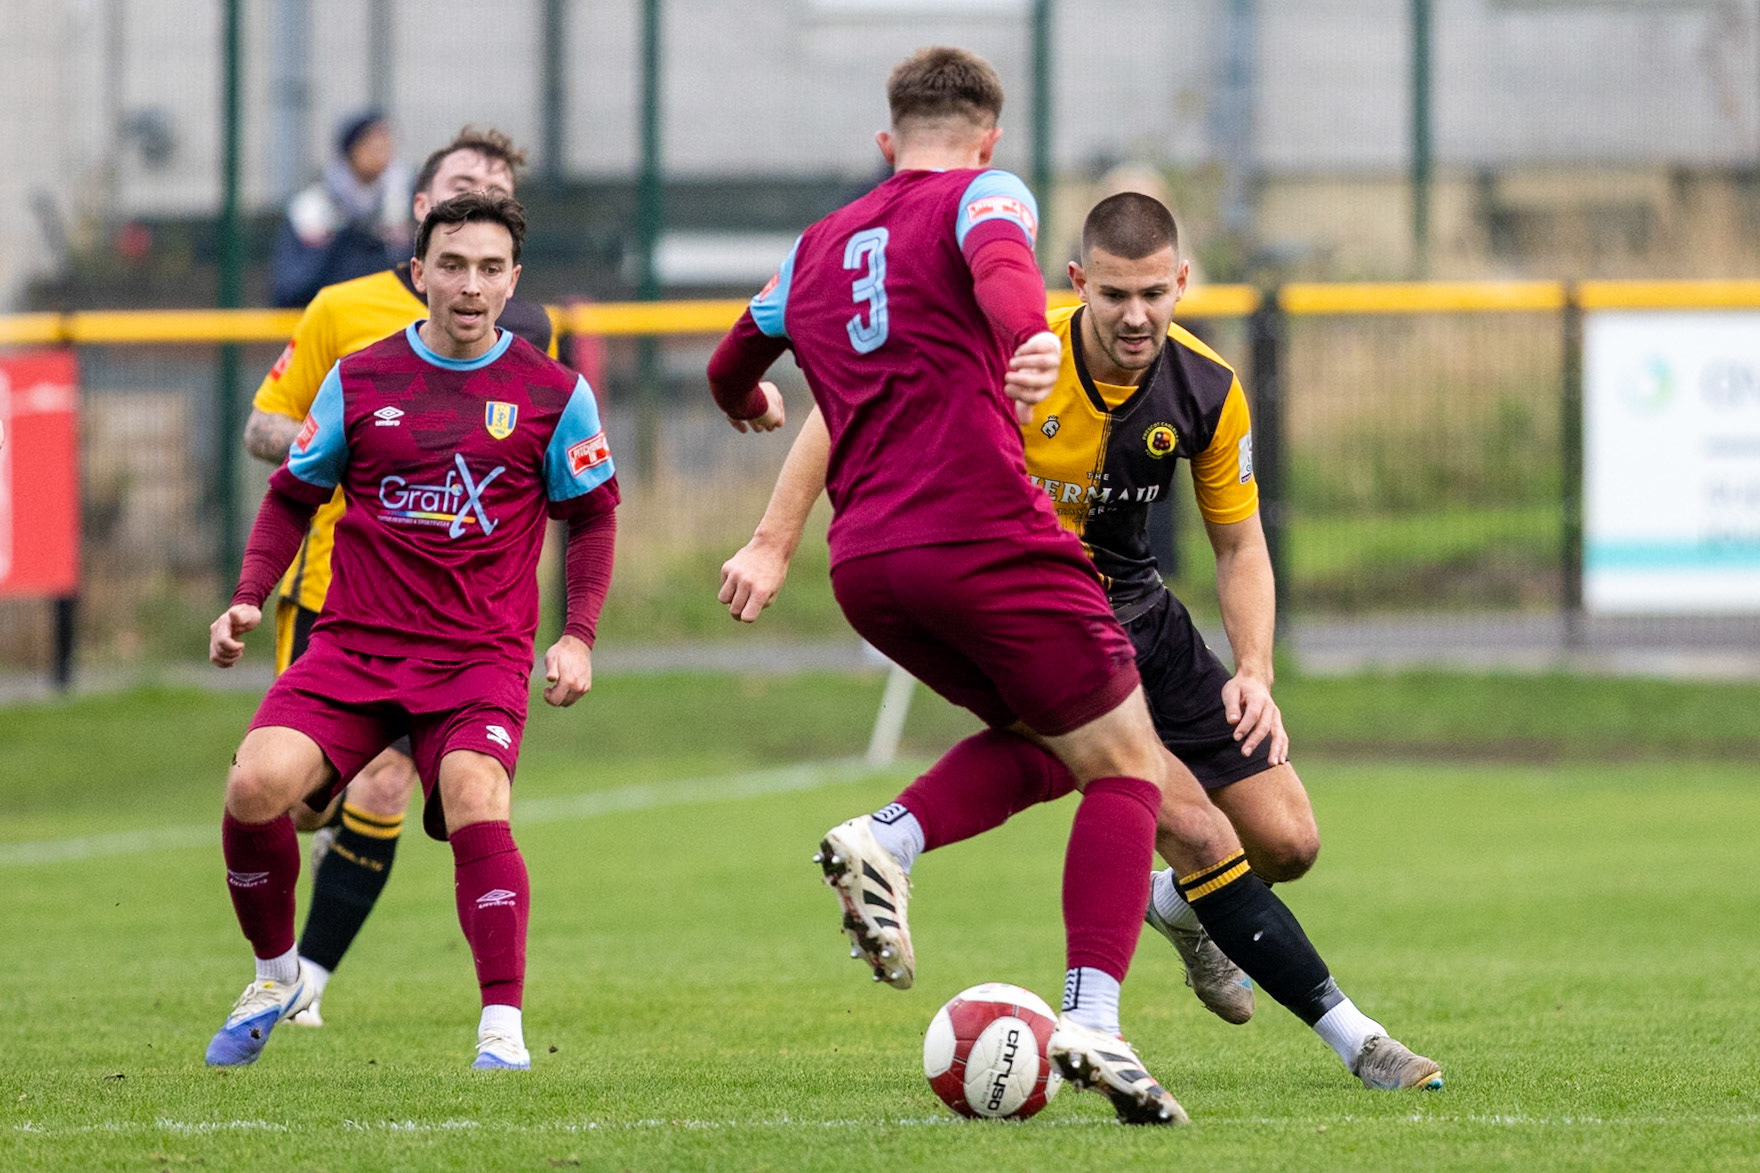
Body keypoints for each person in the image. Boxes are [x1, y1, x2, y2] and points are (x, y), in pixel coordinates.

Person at [708, 47, 1319, 1126]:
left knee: (1061, 751)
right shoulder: (987, 193)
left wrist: (747, 414)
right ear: (987, 139)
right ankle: (1089, 1016)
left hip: (869, 569)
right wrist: (1028, 341)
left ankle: (892, 844)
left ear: (884, 144)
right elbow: (1001, 274)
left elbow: (730, 365)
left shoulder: (814, 245)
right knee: (1129, 762)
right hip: (982, 536)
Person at [203, 192, 619, 1070]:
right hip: (354, 648)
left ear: (514, 281)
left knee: (476, 794)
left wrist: (578, 633)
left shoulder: (554, 393)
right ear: (421, 270)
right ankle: (277, 973)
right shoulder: (359, 377)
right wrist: (249, 594)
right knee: (254, 786)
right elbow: (292, 495)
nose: (470, 285)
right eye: (454, 265)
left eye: (490, 268)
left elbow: (593, 517)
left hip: (478, 656)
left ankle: (501, 1031)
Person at [244, 127, 551, 1030]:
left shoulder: (527, 333)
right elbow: (269, 423)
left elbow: (551, 454)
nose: (473, 273)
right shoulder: (343, 312)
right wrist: (336, 442)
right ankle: (287, 951)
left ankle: (310, 982)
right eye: (463, 186)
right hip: (336, 591)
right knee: (301, 807)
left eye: (499, 192)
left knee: (395, 787)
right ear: (422, 215)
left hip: (461, 619)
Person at [271, 111, 415, 308]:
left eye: (385, 146)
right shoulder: (311, 210)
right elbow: (290, 289)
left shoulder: (406, 205)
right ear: (350, 150)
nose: (381, 153)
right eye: (371, 145)